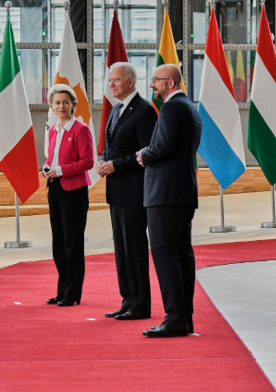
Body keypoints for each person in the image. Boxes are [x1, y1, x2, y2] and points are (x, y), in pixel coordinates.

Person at [136, 64, 201, 337]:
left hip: (166, 192)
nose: (152, 85)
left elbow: (163, 146)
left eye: (156, 80)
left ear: (171, 83)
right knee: (181, 253)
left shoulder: (173, 108)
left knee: (165, 253)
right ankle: (184, 316)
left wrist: (143, 155)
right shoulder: (189, 107)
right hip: (182, 191)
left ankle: (175, 317)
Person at [98, 62, 157, 320]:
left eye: (116, 80)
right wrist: (103, 160)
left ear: (131, 82)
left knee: (134, 248)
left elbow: (147, 153)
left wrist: (115, 165)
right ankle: (127, 299)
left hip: (134, 191)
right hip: (117, 191)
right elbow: (113, 145)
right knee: (121, 249)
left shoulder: (144, 110)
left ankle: (141, 304)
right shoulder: (116, 109)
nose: (111, 84)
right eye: (110, 79)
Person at [43, 84, 94, 307]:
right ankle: (62, 290)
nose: (61, 106)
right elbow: (52, 158)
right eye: (57, 102)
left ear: (73, 105)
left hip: (73, 191)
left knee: (73, 243)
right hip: (54, 188)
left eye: (65, 102)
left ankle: (72, 293)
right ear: (51, 106)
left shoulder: (81, 129)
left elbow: (88, 161)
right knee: (59, 243)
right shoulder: (53, 130)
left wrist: (60, 170)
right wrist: (46, 166)